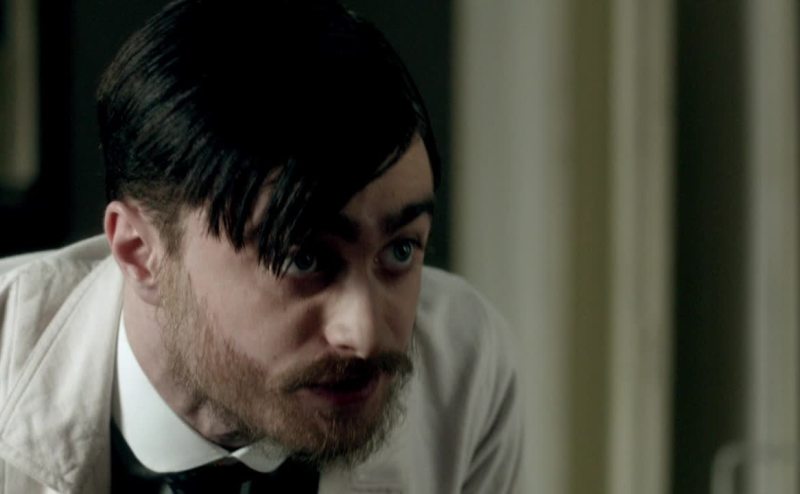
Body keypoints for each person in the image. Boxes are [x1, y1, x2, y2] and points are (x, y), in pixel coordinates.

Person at [0, 0, 524, 492]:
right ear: (140, 252)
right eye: (303, 258)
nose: (364, 336)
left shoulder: (464, 366)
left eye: (401, 250)